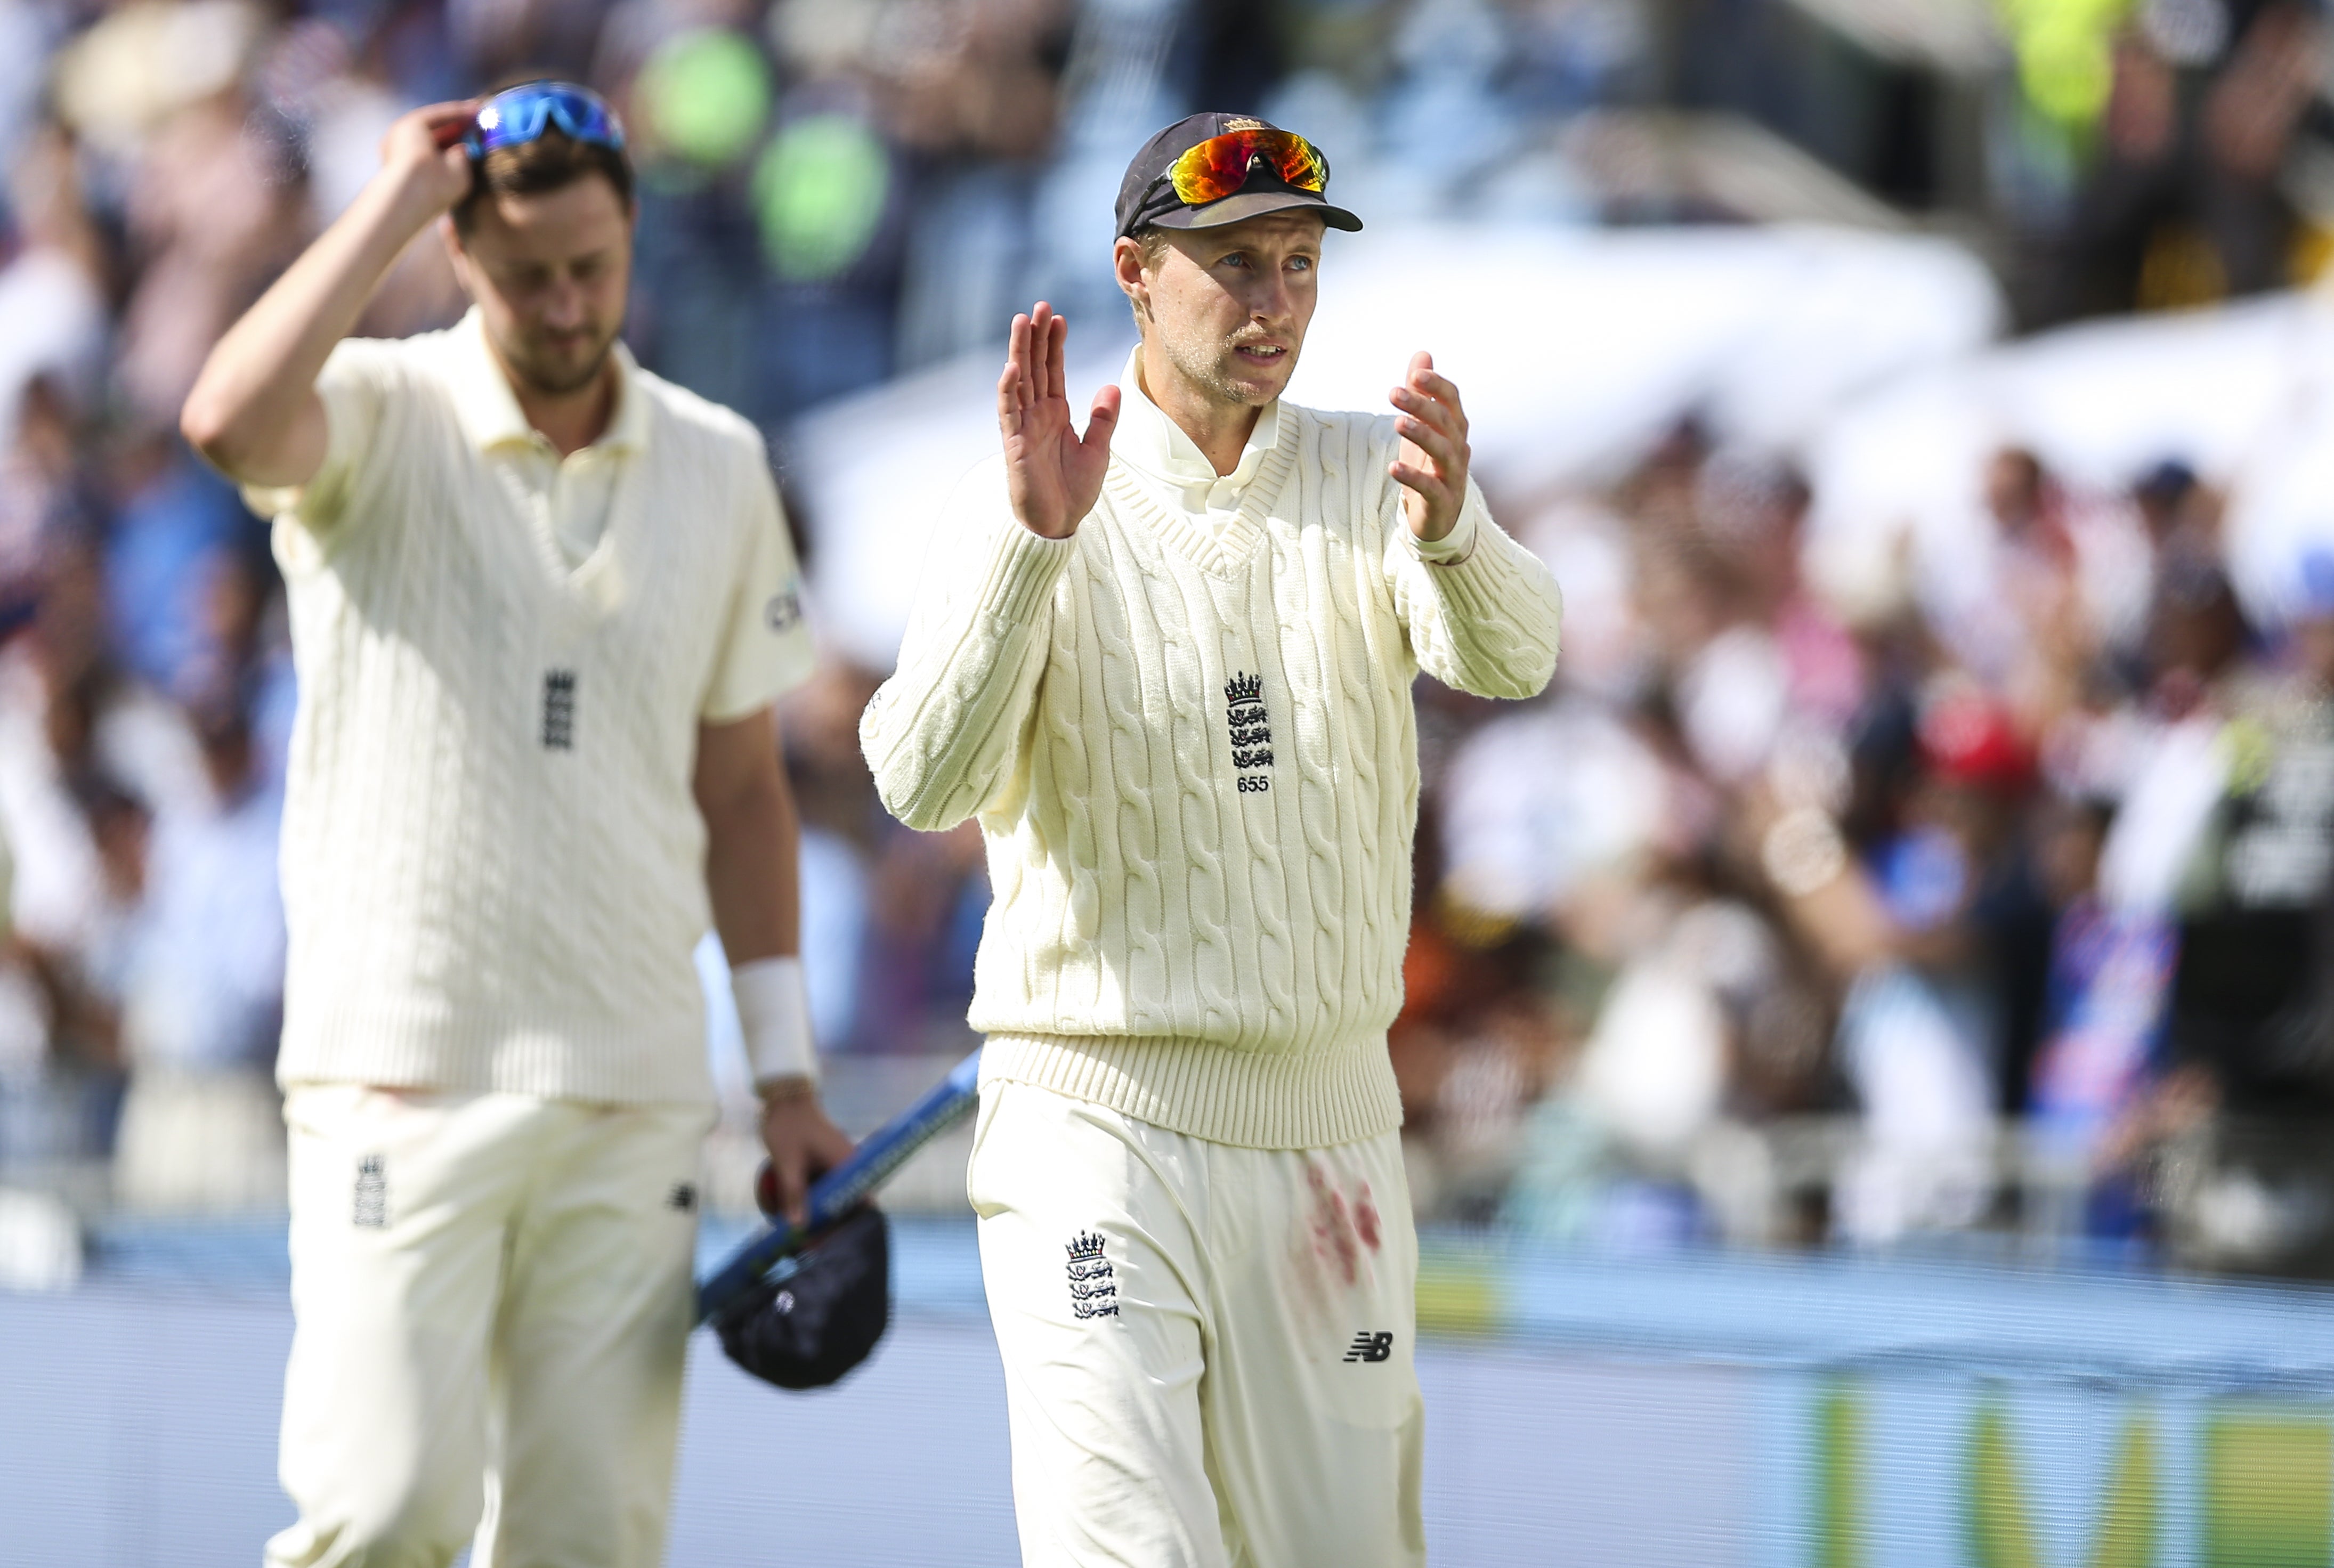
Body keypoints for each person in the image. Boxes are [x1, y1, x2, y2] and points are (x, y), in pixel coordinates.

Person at [861, 112, 1564, 1566]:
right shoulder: (1032, 491)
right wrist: (1029, 547)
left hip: (1331, 1138)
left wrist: (1452, 534)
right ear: (1134, 271)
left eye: (1298, 265)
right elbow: (918, 781)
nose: (1272, 304)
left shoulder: (1375, 475)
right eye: (1234, 264)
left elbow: (1516, 658)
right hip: (1092, 1124)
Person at [179, 82, 852, 1567]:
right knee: (380, 1512)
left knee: (585, 1543)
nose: (563, 304)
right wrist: (386, 207)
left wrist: (787, 1076)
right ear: (461, 259)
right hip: (395, 1071)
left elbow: (743, 792)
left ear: (633, 248)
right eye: (526, 272)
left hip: (631, 1086)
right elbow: (225, 417)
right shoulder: (377, 410)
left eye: (592, 268)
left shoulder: (720, 463)